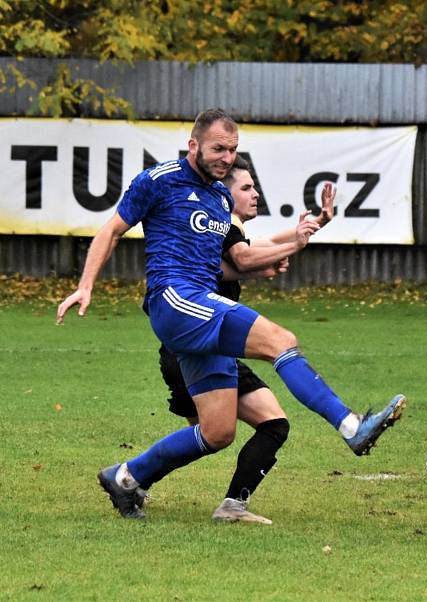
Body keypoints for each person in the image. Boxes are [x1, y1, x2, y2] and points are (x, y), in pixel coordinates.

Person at [56, 108, 406, 519]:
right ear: (194, 145)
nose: (226, 157)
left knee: (218, 432)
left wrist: (286, 249)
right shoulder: (159, 180)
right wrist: (85, 284)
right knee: (281, 341)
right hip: (175, 300)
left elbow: (231, 262)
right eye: (218, 148)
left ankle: (126, 478)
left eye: (233, 150)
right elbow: (111, 230)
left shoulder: (221, 198)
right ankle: (351, 427)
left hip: (201, 305)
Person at [144, 155, 332, 525]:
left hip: (210, 346)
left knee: (234, 430)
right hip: (194, 348)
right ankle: (135, 478)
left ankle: (139, 480)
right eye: (245, 187)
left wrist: (311, 227)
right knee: (223, 432)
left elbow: (260, 244)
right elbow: (245, 257)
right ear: (222, 194)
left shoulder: (228, 229)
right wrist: (290, 246)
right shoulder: (218, 227)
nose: (255, 194)